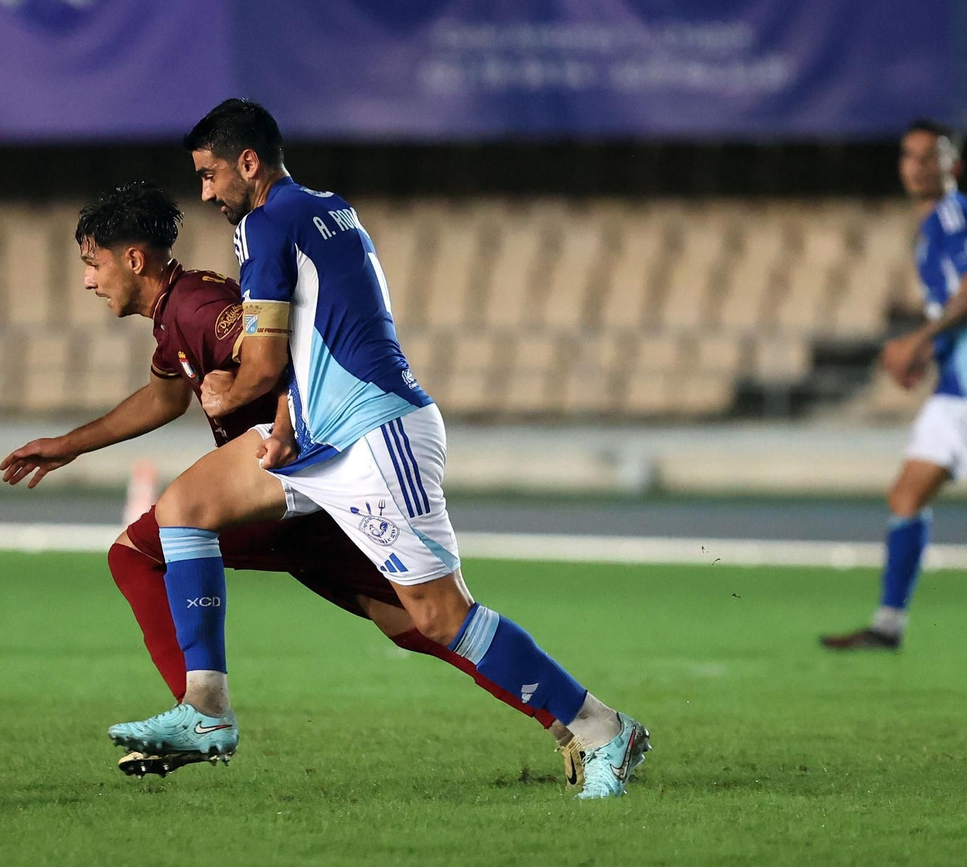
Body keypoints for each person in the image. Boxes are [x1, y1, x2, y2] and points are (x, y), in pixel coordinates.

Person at [106, 99, 648, 799]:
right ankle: (206, 710)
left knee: (438, 615)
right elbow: (321, 336)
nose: (206, 193)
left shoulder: (266, 223)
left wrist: (225, 391)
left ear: (249, 164)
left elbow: (266, 362)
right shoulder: (328, 209)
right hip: (319, 437)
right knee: (182, 509)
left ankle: (604, 729)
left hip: (374, 435)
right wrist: (287, 424)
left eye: (211, 175)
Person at [1, 182, 581, 780]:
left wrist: (277, 428)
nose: (89, 281)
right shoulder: (176, 316)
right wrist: (67, 445)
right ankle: (579, 723)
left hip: (287, 488)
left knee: (138, 551)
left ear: (133, 259)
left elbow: (284, 363)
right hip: (316, 494)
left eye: (92, 265)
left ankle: (200, 712)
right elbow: (161, 399)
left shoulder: (202, 310)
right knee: (417, 622)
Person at [823, 120, 967, 651]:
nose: (918, 165)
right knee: (907, 494)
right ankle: (887, 626)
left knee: (909, 494)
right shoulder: (931, 228)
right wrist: (929, 349)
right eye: (910, 156)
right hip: (955, 388)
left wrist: (916, 340)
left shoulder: (955, 215)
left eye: (932, 156)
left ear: (953, 164)